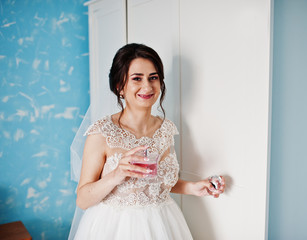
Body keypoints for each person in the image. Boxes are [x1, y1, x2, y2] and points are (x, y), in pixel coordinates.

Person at [73, 43, 225, 239]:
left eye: (153, 78)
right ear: (120, 86)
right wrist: (117, 174)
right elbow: (83, 200)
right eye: (137, 78)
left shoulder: (166, 129)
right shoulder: (102, 133)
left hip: (162, 223)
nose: (147, 86)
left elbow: (159, 183)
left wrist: (195, 187)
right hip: (115, 227)